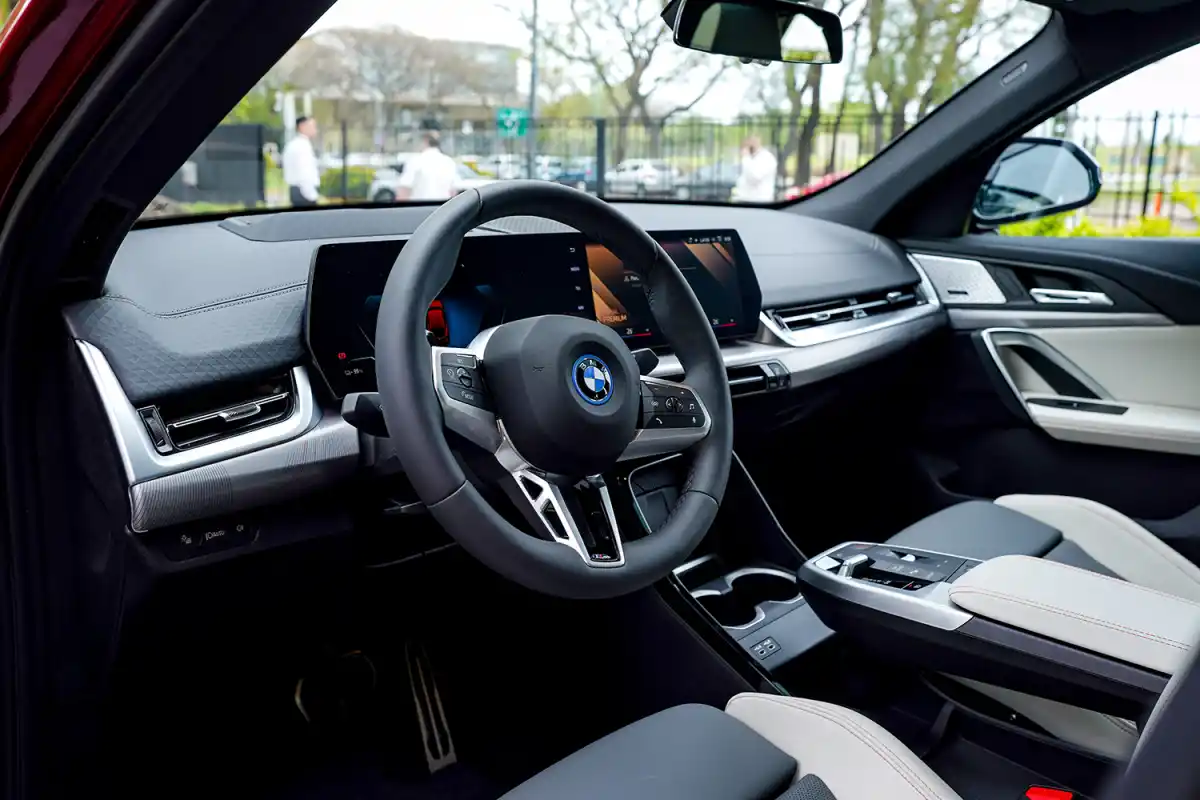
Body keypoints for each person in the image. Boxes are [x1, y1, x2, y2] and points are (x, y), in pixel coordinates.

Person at [397, 131, 458, 201]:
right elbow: (453, 192)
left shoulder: (415, 161)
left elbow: (404, 190)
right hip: (443, 207)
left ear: (425, 141)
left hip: (419, 207)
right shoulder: (449, 162)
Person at [282, 116, 321, 207]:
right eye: (312, 126)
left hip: (297, 192)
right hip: (304, 193)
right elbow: (304, 173)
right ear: (302, 126)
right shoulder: (302, 146)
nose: (315, 129)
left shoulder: (293, 144)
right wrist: (312, 196)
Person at [734, 136, 778, 203]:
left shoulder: (766, 158)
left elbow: (754, 177)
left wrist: (746, 157)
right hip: (744, 199)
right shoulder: (751, 158)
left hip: (758, 201)